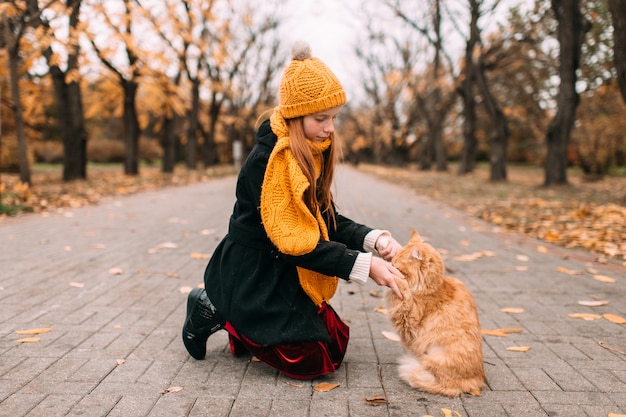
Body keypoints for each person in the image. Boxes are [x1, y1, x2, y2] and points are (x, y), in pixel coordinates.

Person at [182, 41, 405, 380]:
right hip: (253, 272)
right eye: (321, 118)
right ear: (294, 116)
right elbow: (292, 242)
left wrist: (374, 240)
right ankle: (215, 306)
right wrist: (362, 266)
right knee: (312, 361)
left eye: (334, 118)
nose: (330, 128)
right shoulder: (268, 163)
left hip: (284, 266)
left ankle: (240, 321)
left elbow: (324, 219)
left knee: (335, 345)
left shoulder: (310, 150)